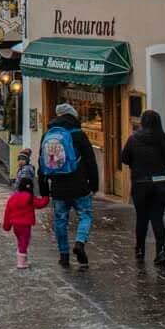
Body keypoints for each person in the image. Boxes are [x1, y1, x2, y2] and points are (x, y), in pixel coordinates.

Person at [38, 102, 100, 268]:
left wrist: (44, 189)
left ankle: (63, 255)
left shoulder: (48, 135)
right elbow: (90, 160)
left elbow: (42, 163)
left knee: (60, 221)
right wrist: (94, 184)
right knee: (85, 215)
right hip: (80, 185)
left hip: (58, 187)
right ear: (73, 117)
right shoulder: (78, 134)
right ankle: (79, 243)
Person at [120, 109, 165, 266]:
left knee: (142, 218)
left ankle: (140, 249)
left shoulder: (133, 139)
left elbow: (124, 158)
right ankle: (161, 250)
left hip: (140, 183)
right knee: (157, 218)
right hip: (161, 182)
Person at [1, 172, 50, 269]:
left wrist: (6, 226)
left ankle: (24, 260)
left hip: (15, 225)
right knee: (24, 241)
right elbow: (40, 204)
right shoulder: (30, 197)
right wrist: (46, 197)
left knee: (20, 241)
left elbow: (8, 212)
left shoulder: (13, 197)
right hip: (25, 225)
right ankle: (21, 262)